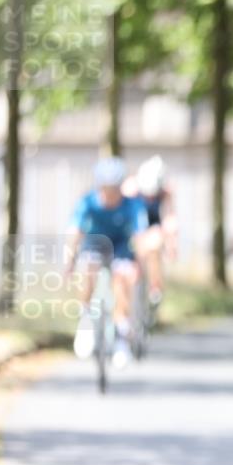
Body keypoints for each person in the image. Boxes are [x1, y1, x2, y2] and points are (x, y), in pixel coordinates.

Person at [68, 157, 148, 368]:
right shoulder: (87, 202)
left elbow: (140, 238)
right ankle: (85, 319)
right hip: (94, 244)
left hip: (121, 247)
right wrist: (69, 262)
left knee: (122, 279)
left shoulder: (132, 205)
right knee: (88, 268)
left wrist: (140, 265)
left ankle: (122, 338)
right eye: (105, 188)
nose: (109, 194)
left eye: (114, 189)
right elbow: (75, 233)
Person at [130, 155, 177, 306]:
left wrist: (171, 245)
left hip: (154, 225)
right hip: (134, 224)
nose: (150, 198)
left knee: (154, 246)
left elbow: (170, 220)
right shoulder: (130, 189)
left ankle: (155, 288)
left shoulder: (166, 193)